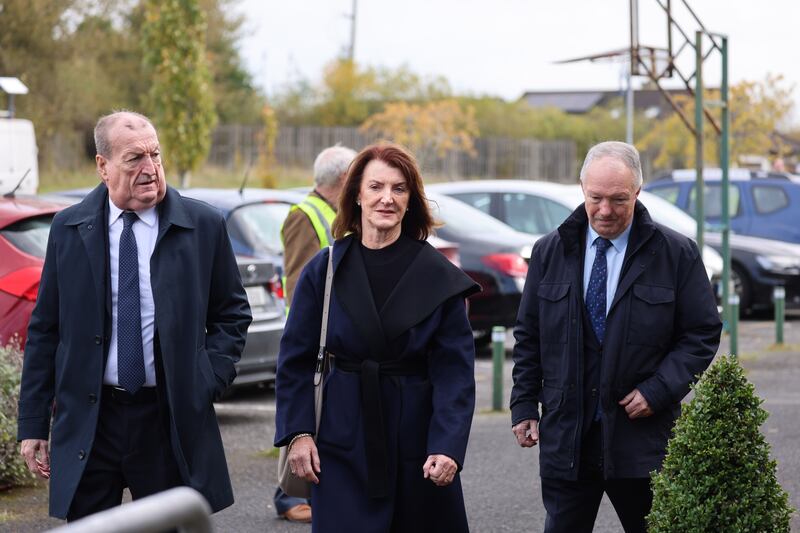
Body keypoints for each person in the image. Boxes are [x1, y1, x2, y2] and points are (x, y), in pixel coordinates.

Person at [17, 111, 251, 521]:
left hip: (166, 419)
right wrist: (33, 422)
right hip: (91, 419)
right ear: (102, 166)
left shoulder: (202, 225)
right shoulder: (69, 228)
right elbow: (46, 329)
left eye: (155, 155)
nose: (150, 169)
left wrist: (205, 380)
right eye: (134, 159)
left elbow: (232, 314)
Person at [510, 141, 722, 533]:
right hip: (567, 438)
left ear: (638, 192)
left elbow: (701, 333)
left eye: (619, 199)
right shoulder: (549, 251)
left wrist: (658, 390)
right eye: (596, 198)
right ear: (581, 188)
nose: (605, 210)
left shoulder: (676, 254)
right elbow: (529, 336)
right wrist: (523, 404)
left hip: (641, 440)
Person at [275, 142, 480, 532]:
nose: (387, 198)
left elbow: (455, 372)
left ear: (411, 199)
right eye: (376, 187)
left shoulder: (437, 275)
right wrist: (299, 434)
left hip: (418, 444)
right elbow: (295, 358)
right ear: (356, 194)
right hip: (341, 439)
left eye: (399, 189)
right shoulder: (326, 268)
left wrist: (446, 445)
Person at [272, 144, 356, 523]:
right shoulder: (304, 215)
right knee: (305, 418)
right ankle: (288, 497)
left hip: (330, 335)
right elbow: (299, 279)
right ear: (344, 179)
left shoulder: (334, 212)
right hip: (312, 338)